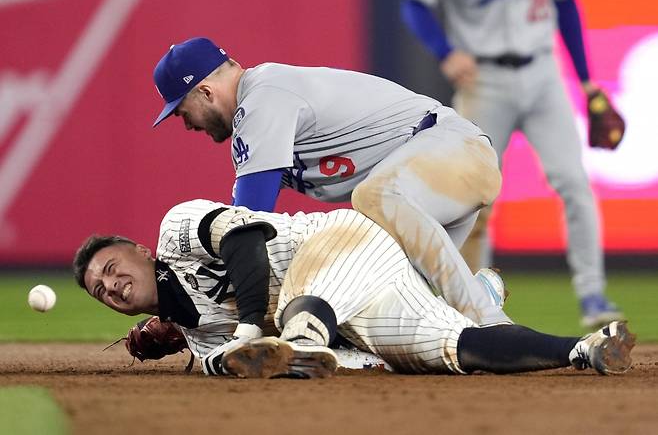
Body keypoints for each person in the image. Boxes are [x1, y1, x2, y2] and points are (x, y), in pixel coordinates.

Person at [150, 36, 510, 327]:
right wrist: (182, 319)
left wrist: (189, 294)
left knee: (374, 196)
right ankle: (475, 301)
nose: (186, 124)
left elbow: (247, 223)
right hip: (425, 186)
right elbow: (245, 227)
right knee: (375, 299)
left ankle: (487, 317)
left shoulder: (262, 99)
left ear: (206, 93)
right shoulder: (259, 109)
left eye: (182, 111)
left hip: (453, 151)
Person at [73, 200, 634, 378]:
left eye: (112, 265)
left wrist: (248, 328)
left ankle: (310, 341)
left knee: (298, 308)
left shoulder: (176, 229)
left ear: (140, 252)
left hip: (339, 242)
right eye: (100, 289)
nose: (111, 283)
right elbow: (233, 357)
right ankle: (584, 349)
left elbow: (245, 240)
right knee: (448, 351)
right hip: (351, 305)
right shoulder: (201, 340)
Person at [400, 0, 623, 328]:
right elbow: (413, 5)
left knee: (575, 183)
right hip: (482, 79)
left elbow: (565, 5)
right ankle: (472, 307)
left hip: (543, 72)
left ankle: (593, 295)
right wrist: (445, 51)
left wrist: (587, 81)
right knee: (473, 200)